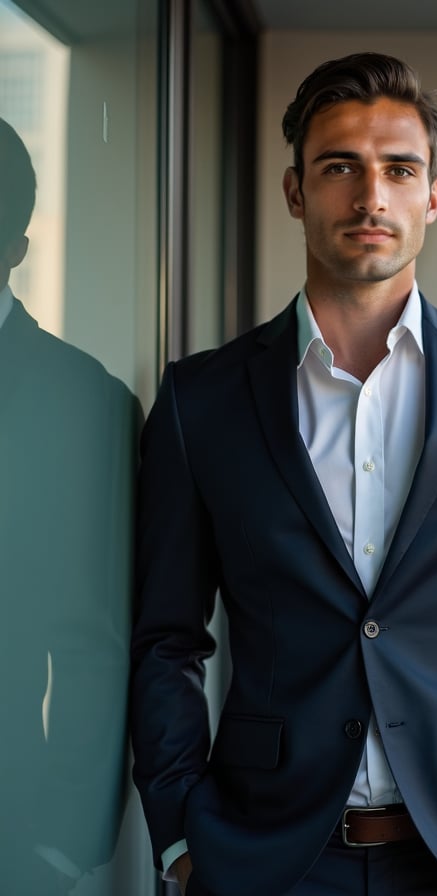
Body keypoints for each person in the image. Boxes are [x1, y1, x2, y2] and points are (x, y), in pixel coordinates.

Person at [130, 52, 437, 896]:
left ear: (433, 194)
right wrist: (178, 831)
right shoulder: (198, 401)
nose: (371, 197)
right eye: (339, 169)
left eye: (399, 170)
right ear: (295, 192)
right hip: (266, 858)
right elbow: (167, 638)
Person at [0, 117, 138, 893]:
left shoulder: (86, 405)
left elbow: (100, 644)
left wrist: (57, 848)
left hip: (10, 829)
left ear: (15, 251)